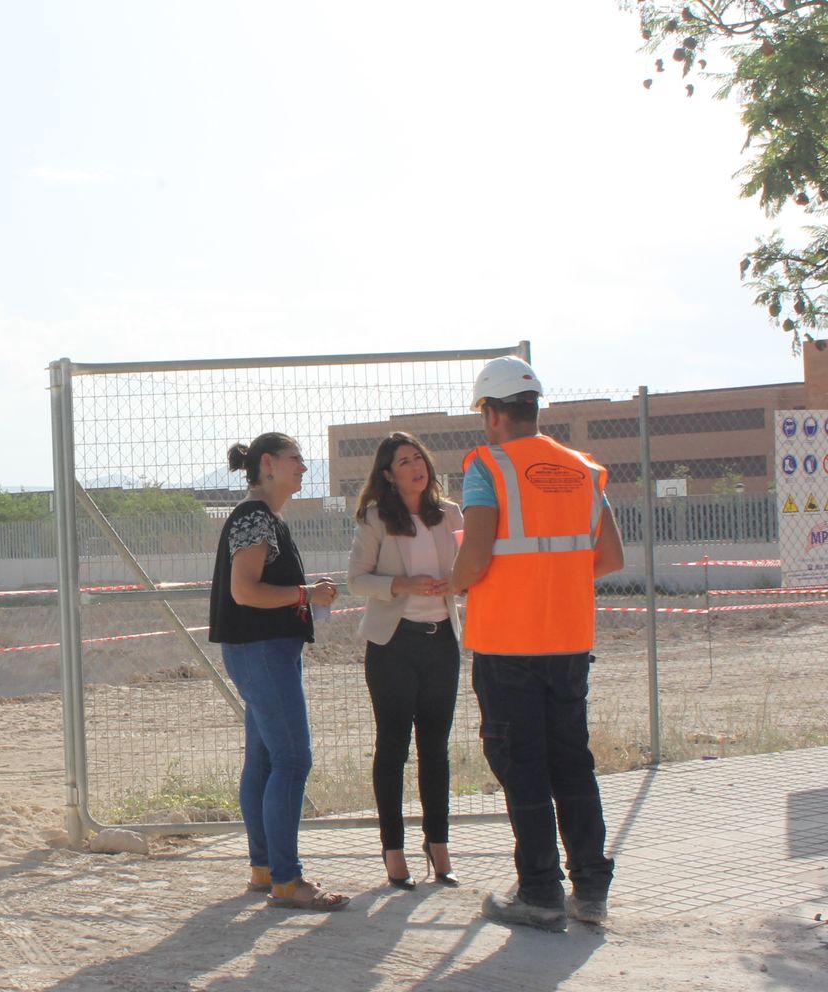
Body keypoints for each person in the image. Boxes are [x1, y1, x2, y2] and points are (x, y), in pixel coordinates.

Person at [450, 355, 625, 932]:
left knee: (522, 766)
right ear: (533, 407)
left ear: (492, 414)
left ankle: (540, 893)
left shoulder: (487, 466)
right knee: (572, 762)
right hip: (569, 640)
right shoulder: (583, 469)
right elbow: (611, 557)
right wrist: (556, 585)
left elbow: (474, 558)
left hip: (507, 644)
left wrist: (448, 585)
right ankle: (591, 892)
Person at [208, 432, 348, 911]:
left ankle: (266, 870)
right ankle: (287, 880)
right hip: (263, 652)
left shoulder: (264, 518)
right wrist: (306, 594)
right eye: (296, 460)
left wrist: (305, 594)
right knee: (292, 760)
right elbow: (245, 591)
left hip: (262, 651)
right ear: (268, 464)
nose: (303, 469)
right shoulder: (254, 518)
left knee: (267, 761)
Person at [347, 432, 464, 891]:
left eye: (419, 458)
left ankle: (438, 844)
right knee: (393, 748)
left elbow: (468, 571)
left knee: (436, 749)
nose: (417, 466)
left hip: (442, 644)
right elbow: (357, 581)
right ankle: (392, 849)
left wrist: (456, 582)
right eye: (404, 461)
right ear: (388, 474)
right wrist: (402, 585)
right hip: (393, 645)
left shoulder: (450, 514)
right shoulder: (376, 518)